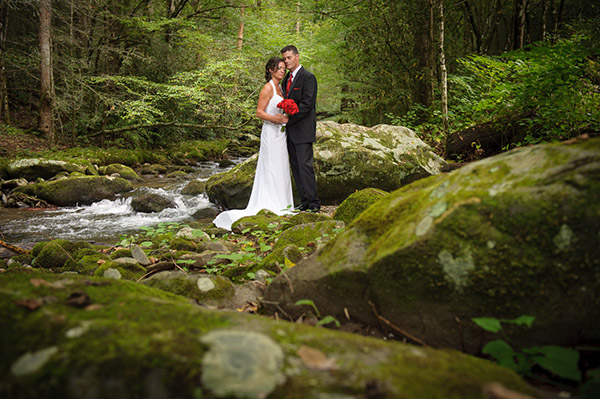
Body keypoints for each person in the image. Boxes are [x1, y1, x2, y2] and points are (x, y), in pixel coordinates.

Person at [212, 57, 294, 230]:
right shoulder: (267, 88)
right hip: (270, 132)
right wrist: (276, 119)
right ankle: (270, 205)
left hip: (281, 134)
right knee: (271, 167)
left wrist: (286, 116)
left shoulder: (281, 88)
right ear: (271, 70)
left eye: (283, 68)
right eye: (279, 68)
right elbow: (259, 113)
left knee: (281, 168)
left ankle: (284, 204)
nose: (282, 71)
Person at [280, 45, 320, 212]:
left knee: (305, 167)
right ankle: (304, 202)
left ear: (297, 57)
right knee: (295, 168)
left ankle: (314, 203)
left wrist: (288, 119)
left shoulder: (308, 77)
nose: (286, 61)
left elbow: (307, 104)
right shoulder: (286, 79)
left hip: (303, 130)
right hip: (289, 132)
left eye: (289, 58)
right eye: (284, 59)